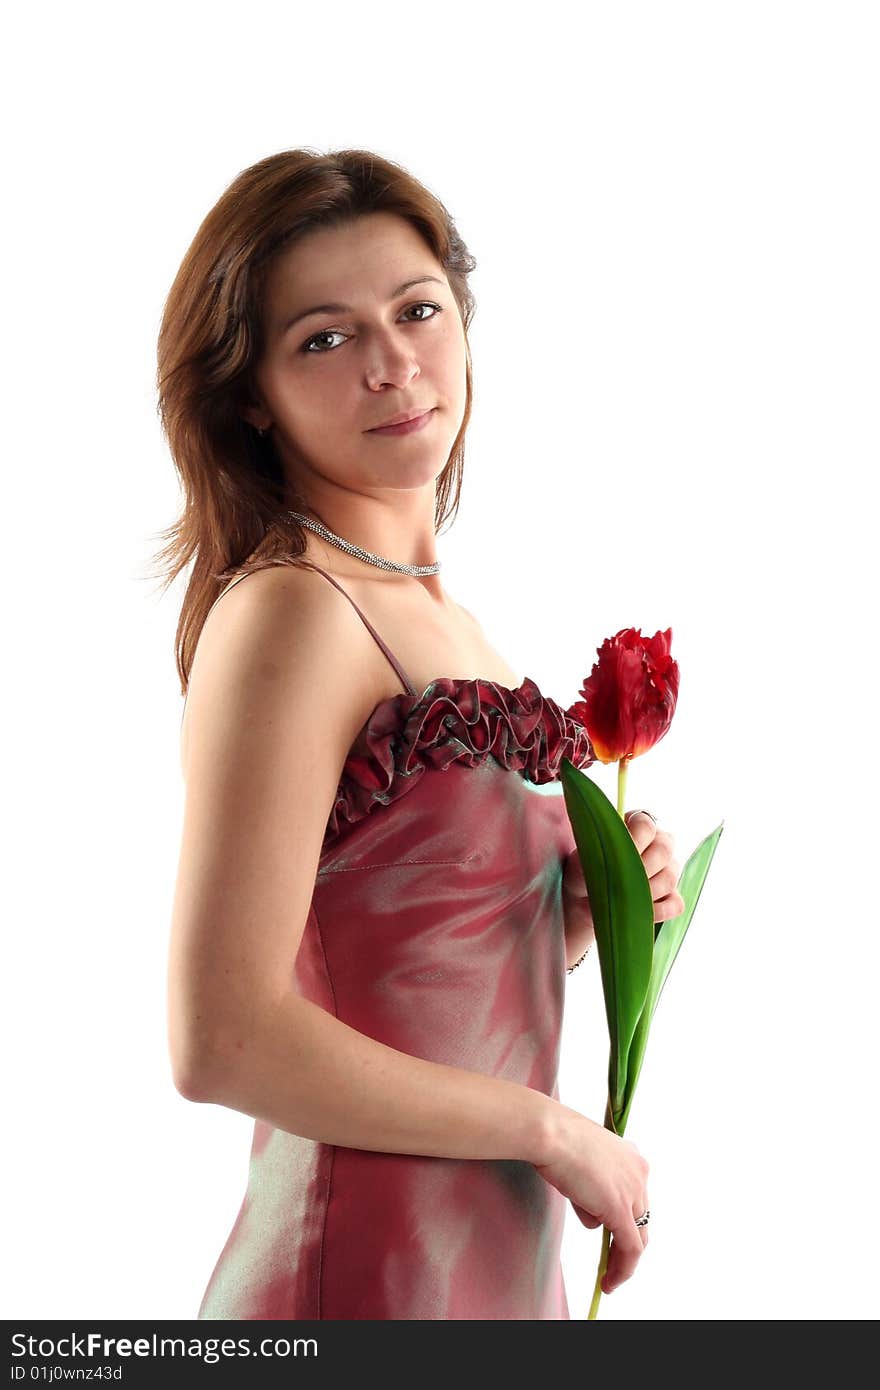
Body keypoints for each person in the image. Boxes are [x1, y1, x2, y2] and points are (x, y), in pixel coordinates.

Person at [157, 148, 685, 1320]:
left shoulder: (454, 627)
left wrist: (577, 915)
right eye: (326, 338)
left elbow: (406, 958)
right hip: (362, 1282)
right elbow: (222, 1034)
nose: (395, 363)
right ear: (251, 394)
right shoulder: (296, 609)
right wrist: (551, 1132)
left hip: (491, 1274)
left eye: (417, 310)